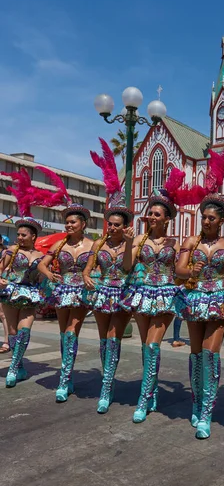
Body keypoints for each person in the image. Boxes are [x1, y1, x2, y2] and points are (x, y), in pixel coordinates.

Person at [175, 146, 224, 439]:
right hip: (195, 298)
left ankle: (207, 413)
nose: (207, 221)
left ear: (221, 221)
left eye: (212, 218)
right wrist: (193, 273)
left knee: (211, 354)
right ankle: (197, 402)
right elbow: (179, 271)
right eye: (205, 217)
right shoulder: (190, 241)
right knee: (196, 352)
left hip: (221, 299)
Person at [120, 168, 186, 423]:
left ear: (167, 219)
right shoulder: (137, 239)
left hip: (166, 295)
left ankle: (144, 398)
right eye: (150, 213)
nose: (151, 217)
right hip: (141, 293)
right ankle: (153, 389)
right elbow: (127, 267)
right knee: (145, 346)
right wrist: (127, 244)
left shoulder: (175, 244)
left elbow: (179, 271)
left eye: (157, 214)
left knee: (152, 344)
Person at [0, 167, 67, 386]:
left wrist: (50, 278)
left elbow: (44, 273)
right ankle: (18, 367)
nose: (19, 237)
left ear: (33, 236)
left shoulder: (41, 255)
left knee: (24, 330)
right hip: (10, 291)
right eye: (18, 234)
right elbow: (1, 270)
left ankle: (12, 368)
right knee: (11, 331)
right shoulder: (10, 251)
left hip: (30, 294)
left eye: (23, 234)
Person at [82, 138, 134, 413]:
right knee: (103, 338)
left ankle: (106, 386)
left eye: (117, 225)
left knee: (114, 336)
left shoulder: (130, 244)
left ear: (125, 226)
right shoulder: (98, 244)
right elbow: (88, 267)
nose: (112, 228)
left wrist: (127, 243)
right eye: (109, 224)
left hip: (122, 293)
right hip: (102, 293)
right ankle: (108, 381)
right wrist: (88, 276)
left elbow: (127, 268)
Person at [38, 176, 93, 403]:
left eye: (73, 222)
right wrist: (50, 273)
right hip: (62, 291)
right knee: (63, 335)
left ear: (83, 224)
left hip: (81, 292)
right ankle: (67, 376)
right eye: (67, 222)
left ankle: (64, 379)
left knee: (71, 333)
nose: (69, 225)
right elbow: (42, 263)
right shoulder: (58, 244)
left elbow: (99, 266)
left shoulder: (93, 245)